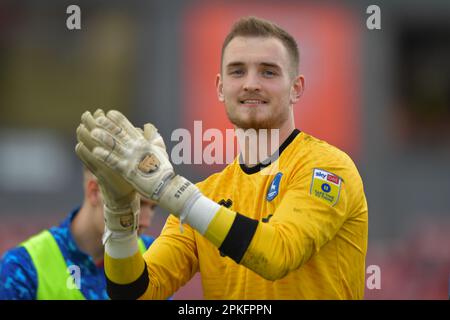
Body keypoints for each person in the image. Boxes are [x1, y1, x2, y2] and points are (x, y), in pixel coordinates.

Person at [75, 16, 368, 299]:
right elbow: (135, 293)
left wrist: (171, 190)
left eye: (268, 72)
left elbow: (278, 255)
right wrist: (119, 216)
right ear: (219, 87)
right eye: (237, 71)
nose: (251, 83)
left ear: (296, 88)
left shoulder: (328, 166)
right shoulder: (206, 195)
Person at [0, 167, 157, 300]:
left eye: (153, 207)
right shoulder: (23, 266)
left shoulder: (153, 257)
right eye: (138, 204)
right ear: (94, 192)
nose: (146, 222)